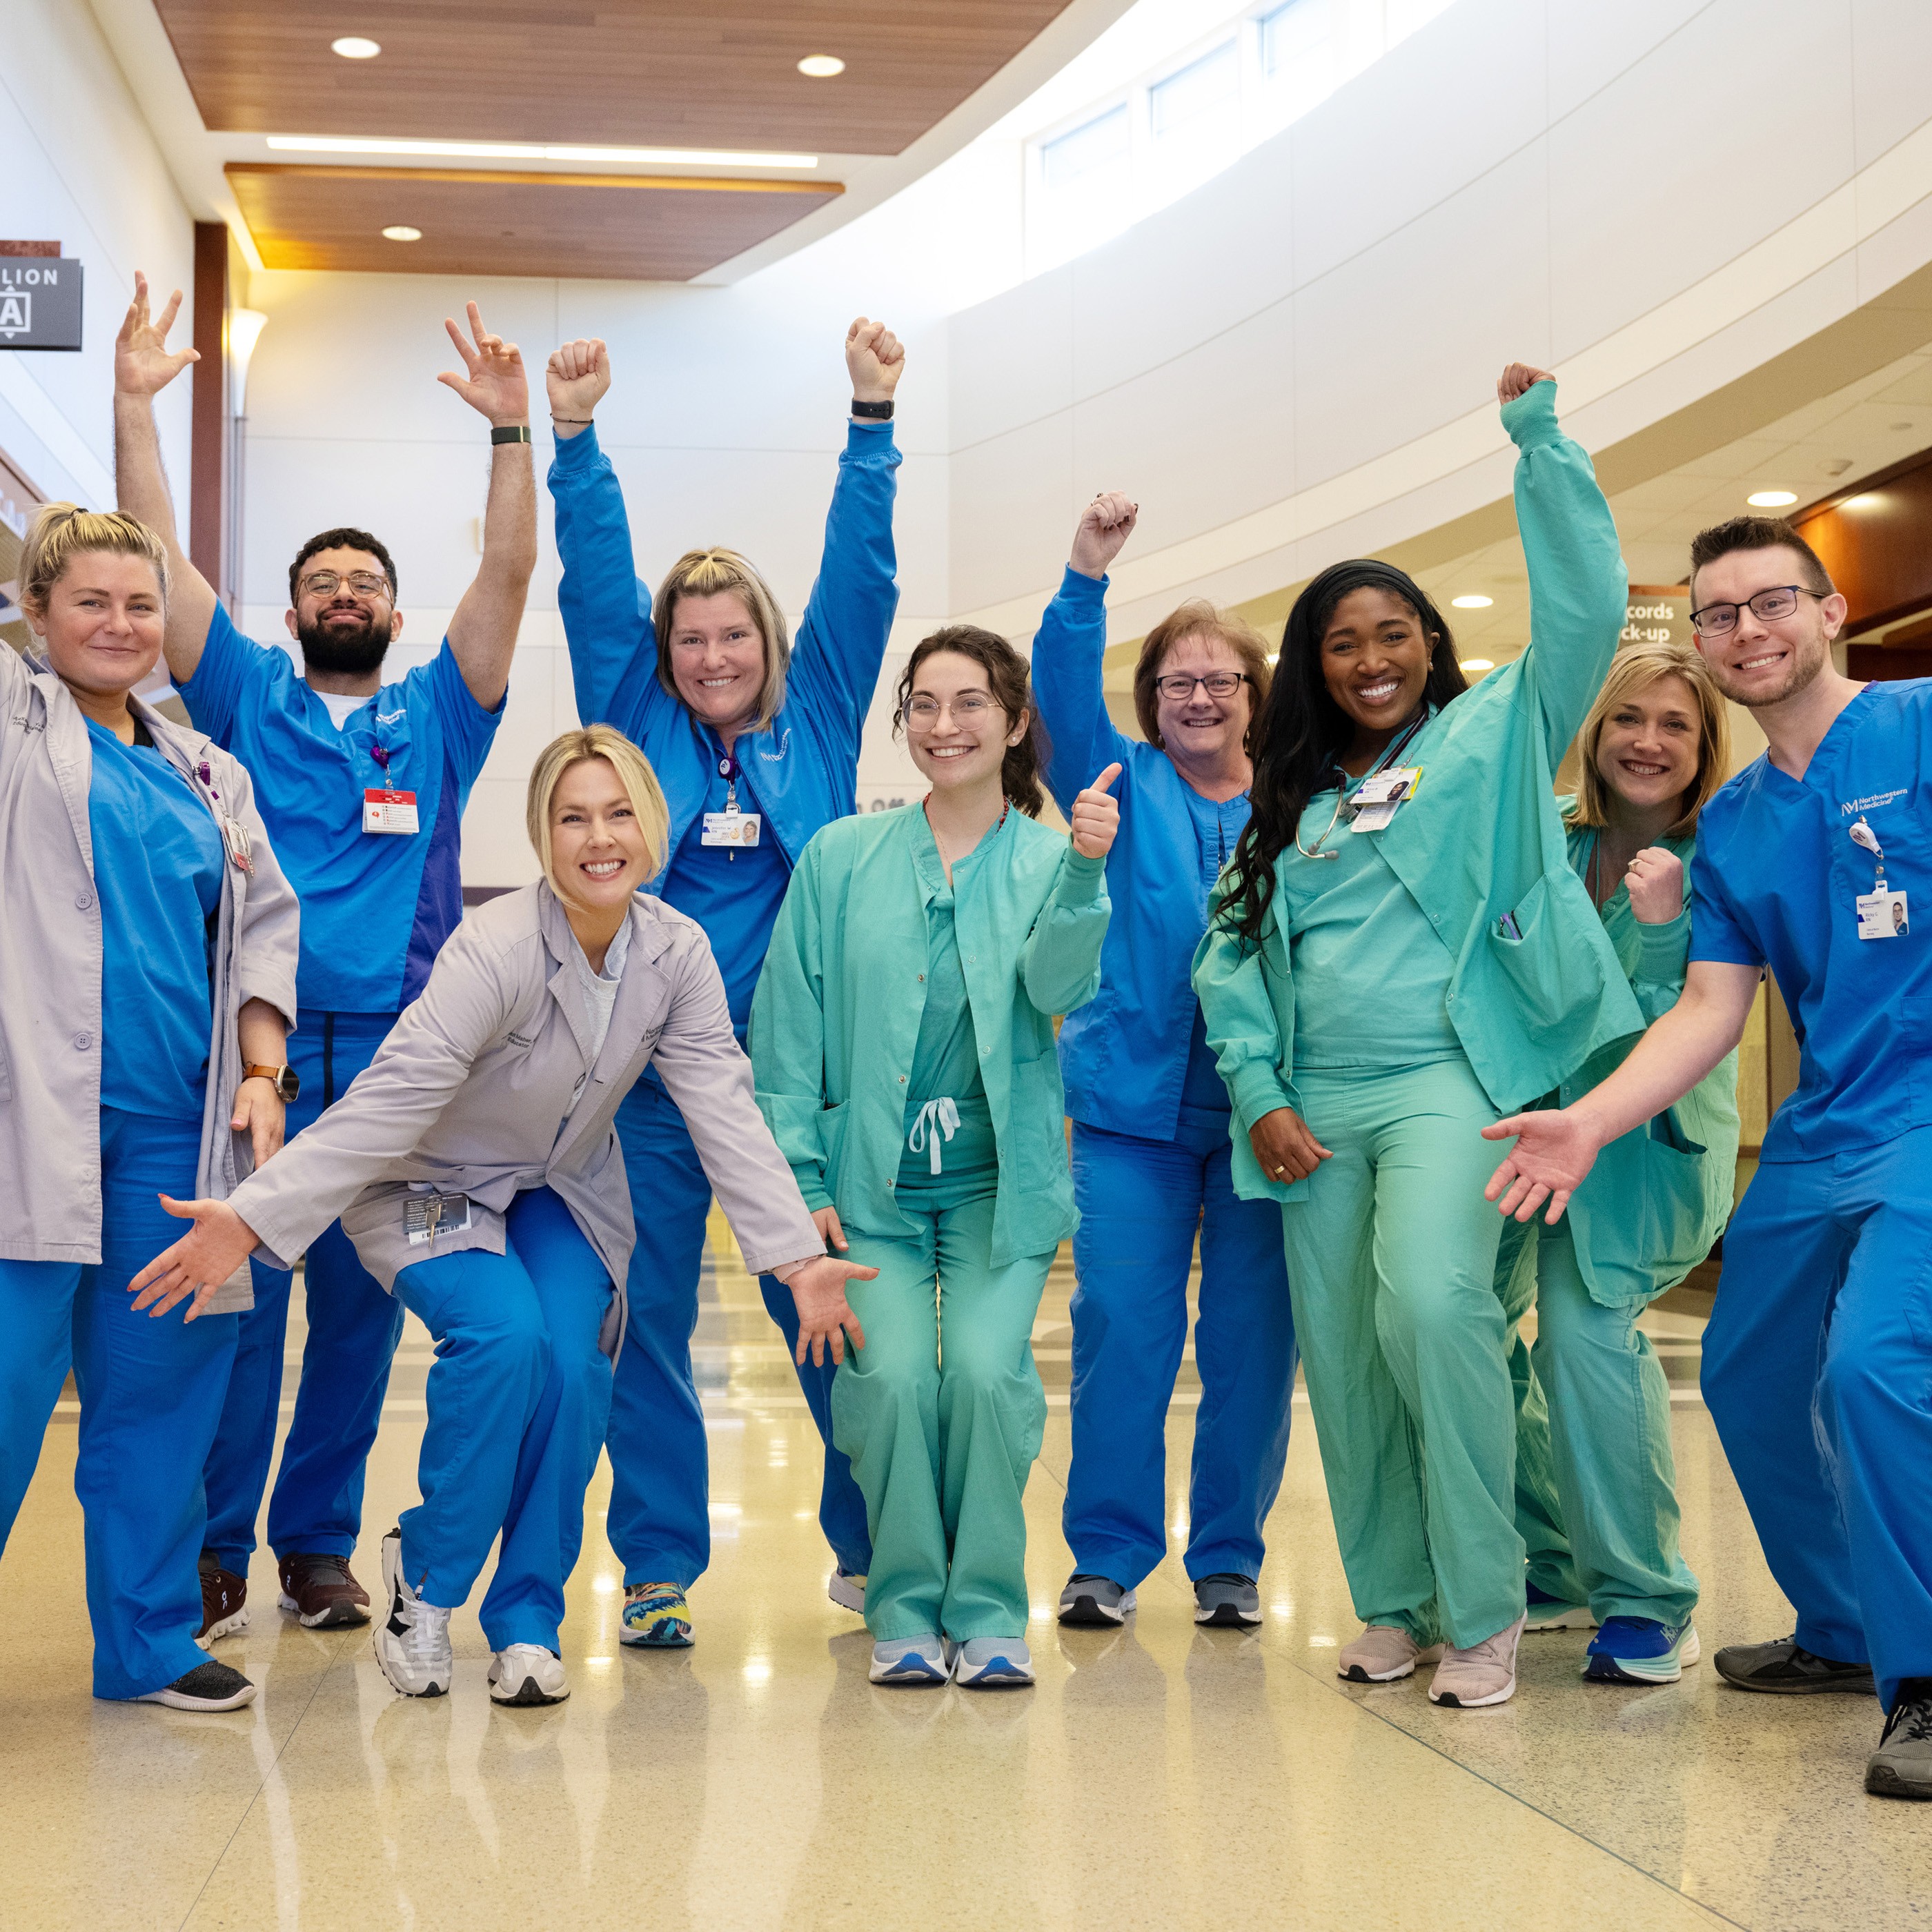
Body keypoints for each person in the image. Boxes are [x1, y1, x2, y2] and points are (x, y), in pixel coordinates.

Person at [128, 727, 874, 1708]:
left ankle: (527, 1616)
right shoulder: (498, 946)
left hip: (560, 1189)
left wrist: (790, 1257)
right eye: (572, 818)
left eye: (618, 814)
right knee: (506, 1340)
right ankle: (426, 1586)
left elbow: (722, 1108)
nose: (597, 838)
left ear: (651, 826)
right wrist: (256, 1218)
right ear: (541, 835)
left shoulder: (676, 950)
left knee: (573, 1365)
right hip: (427, 1187)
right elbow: (393, 1098)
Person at [1192, 364, 1631, 1709]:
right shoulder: (1292, 802)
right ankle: (1393, 1598)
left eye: (1391, 633)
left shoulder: (1490, 735)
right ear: (1311, 667)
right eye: (1339, 640)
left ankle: (1487, 1603)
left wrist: (1539, 444)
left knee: (1430, 1305)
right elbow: (1228, 956)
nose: (1369, 656)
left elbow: (1583, 613)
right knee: (1344, 1345)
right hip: (1312, 1109)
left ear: (1429, 644)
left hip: (1451, 1086)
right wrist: (1259, 1086)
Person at [113, 273, 536, 1636]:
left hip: (405, 1065)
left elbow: (510, 574)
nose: (342, 592)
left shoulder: (441, 715)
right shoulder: (237, 695)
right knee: (239, 1315)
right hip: (262, 1059)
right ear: (289, 616)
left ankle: (314, 1544)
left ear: (394, 615)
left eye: (364, 580)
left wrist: (511, 434)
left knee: (359, 1323)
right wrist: (133, 404)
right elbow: (152, 559)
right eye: (319, 582)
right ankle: (214, 1543)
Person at [1485, 515, 1932, 1796]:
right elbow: (1707, 1010)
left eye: (1772, 603)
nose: (1748, 630)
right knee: (1747, 1369)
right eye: (1721, 614)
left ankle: (1927, 1673)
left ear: (1831, 611)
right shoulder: (1733, 824)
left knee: (1877, 1370)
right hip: (1830, 1121)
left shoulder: (1918, 728)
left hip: (1928, 1119)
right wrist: (1589, 1122)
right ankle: (1845, 1629)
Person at [544, 318, 903, 1645]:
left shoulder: (818, 715)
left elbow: (857, 580)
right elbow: (592, 586)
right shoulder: (633, 715)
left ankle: (871, 1550)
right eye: (688, 639)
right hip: (640, 1087)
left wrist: (871, 421)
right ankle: (656, 1572)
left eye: (730, 634)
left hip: (789, 1094)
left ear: (768, 639)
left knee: (824, 1305)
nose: (708, 658)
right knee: (646, 1333)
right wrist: (575, 444)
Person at [750, 627, 1118, 1688]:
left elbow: (1056, 992)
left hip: (1001, 1189)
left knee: (991, 1384)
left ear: (1012, 722)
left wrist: (1088, 873)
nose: (944, 725)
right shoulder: (838, 859)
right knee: (898, 1383)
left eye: (969, 704)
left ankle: (992, 1606)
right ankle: (905, 1605)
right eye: (923, 703)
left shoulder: (1054, 859)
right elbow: (788, 1038)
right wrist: (805, 1183)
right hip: (871, 1191)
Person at [0, 505, 298, 1712]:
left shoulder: (205, 770)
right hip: (27, 1123)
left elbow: (267, 925)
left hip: (173, 1137)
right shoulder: (14, 726)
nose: (121, 626)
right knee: (8, 1388)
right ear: (34, 611)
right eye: (91, 602)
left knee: (164, 1389)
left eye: (141, 605)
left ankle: (150, 1642)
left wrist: (263, 1073)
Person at [1029, 494, 1297, 1632]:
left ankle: (1229, 1556)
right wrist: (1086, 574)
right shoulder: (1117, 783)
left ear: (1254, 697)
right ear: (1152, 703)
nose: (1198, 697)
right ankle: (1108, 1555)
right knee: (1124, 1334)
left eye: (1220, 681)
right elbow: (1051, 689)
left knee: (1249, 1343)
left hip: (1265, 1121)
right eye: (1178, 682)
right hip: (1132, 1115)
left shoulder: (1302, 800)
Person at [1494, 640, 1739, 1686]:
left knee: (1587, 1338)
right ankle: (1557, 1555)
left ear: (1703, 748)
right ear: (1593, 734)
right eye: (1630, 719)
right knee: (1458, 1323)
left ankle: (1646, 1599)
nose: (1649, 742)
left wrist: (1657, 928)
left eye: (1676, 725)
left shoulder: (1723, 858)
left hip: (1647, 1147)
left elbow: (1682, 1021)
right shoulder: (1542, 843)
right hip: (1528, 1130)